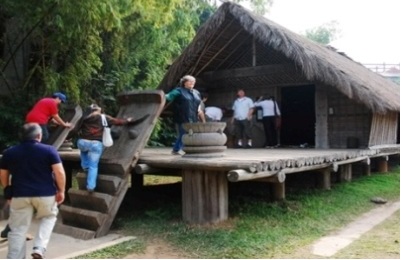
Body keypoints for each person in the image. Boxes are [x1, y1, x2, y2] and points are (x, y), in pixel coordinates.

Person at [0, 123, 66, 259]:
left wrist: (7, 190)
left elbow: (3, 174)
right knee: (49, 217)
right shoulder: (49, 150)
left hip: (19, 195)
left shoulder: (9, 152)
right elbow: (59, 172)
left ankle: (14, 257)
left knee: (17, 229)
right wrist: (61, 191)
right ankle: (39, 247)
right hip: (46, 195)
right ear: (39, 136)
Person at [77, 104, 132, 192]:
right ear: (98, 110)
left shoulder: (84, 118)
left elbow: (76, 128)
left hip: (83, 142)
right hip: (96, 144)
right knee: (93, 166)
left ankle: (85, 166)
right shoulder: (103, 117)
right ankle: (90, 187)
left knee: (83, 150)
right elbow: (117, 122)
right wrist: (127, 120)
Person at [165, 75, 204, 155]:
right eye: (190, 81)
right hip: (182, 116)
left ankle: (188, 149)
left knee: (192, 133)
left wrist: (199, 110)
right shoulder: (178, 91)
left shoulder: (196, 92)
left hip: (193, 116)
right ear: (184, 83)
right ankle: (176, 149)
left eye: (193, 81)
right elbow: (168, 97)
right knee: (183, 133)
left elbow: (199, 102)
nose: (192, 82)